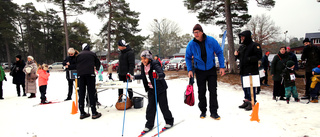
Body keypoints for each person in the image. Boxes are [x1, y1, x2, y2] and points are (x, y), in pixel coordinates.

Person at [185, 24, 225, 119]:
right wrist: (190, 69)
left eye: (197, 32)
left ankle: (214, 112)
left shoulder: (211, 40)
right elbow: (187, 57)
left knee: (213, 91)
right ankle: (203, 111)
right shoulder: (191, 44)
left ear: (202, 32)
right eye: (194, 32)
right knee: (201, 91)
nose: (196, 34)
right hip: (199, 71)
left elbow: (219, 52)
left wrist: (222, 67)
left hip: (211, 70)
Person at [132, 50, 174, 133]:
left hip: (160, 89)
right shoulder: (142, 65)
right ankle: (149, 125)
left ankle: (169, 121)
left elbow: (162, 74)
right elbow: (143, 76)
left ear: (149, 58)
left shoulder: (155, 64)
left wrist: (157, 76)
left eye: (144, 58)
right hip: (151, 89)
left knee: (163, 106)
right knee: (150, 108)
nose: (143, 60)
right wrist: (133, 77)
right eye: (141, 58)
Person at [235, 30, 262, 111]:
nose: (242, 38)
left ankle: (252, 102)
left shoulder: (255, 45)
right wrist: (237, 55)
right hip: (243, 70)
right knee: (245, 86)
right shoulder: (242, 46)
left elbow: (259, 56)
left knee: (251, 87)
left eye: (243, 37)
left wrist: (248, 59)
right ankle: (247, 100)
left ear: (247, 37)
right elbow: (240, 57)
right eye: (241, 37)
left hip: (251, 70)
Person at [76, 43, 102, 119]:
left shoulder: (79, 55)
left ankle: (82, 112)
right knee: (91, 93)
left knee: (81, 93)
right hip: (90, 75)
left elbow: (76, 64)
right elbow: (98, 63)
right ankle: (94, 112)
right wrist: (96, 68)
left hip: (80, 75)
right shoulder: (92, 54)